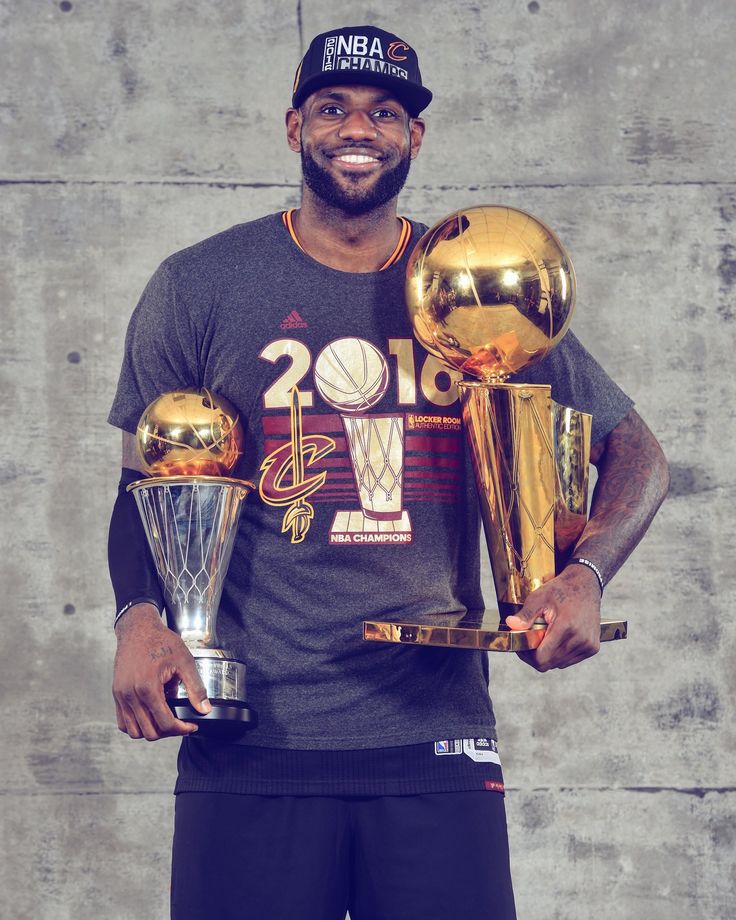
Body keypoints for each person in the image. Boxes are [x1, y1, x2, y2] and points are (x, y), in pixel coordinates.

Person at [107, 25, 669, 920]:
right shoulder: (202, 285)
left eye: (385, 112)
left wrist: (582, 576)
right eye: (332, 108)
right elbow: (149, 485)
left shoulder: (473, 283)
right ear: (295, 127)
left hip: (434, 736)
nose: (356, 128)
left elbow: (638, 455)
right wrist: (139, 621)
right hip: (251, 738)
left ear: (416, 137)